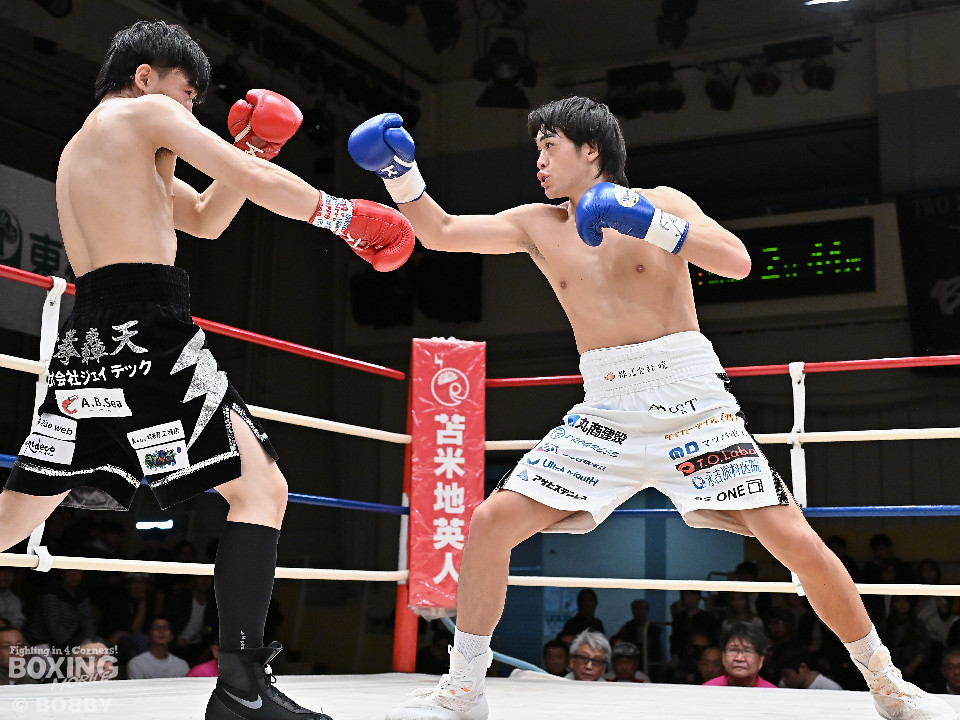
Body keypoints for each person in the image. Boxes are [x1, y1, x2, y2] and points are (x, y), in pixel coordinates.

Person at [349, 97, 957, 720]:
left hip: (693, 405)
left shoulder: (661, 201)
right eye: (537, 150)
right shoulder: (537, 224)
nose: (539, 162)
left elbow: (738, 262)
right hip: (606, 410)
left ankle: (887, 684)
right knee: (490, 523)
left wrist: (650, 223)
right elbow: (442, 232)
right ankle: (463, 690)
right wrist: (400, 173)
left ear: (590, 150)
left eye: (549, 146)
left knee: (794, 540)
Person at [0, 20, 413, 720]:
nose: (191, 109)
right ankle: (242, 688)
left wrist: (248, 150)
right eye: (188, 93)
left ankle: (242, 687)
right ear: (145, 77)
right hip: (150, 333)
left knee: (20, 510)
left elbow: (206, 216)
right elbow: (250, 181)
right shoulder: (146, 114)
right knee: (262, 490)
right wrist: (342, 215)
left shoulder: (87, 148)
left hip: (92, 341)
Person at [704, 622, 777, 688]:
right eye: (733, 650)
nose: (739, 658)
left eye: (747, 651)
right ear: (723, 657)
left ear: (761, 660)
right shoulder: (708, 689)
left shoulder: (772, 693)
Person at [777, 643, 843, 691]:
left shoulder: (832, 690)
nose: (783, 679)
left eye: (786, 674)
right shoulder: (783, 685)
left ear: (802, 667)